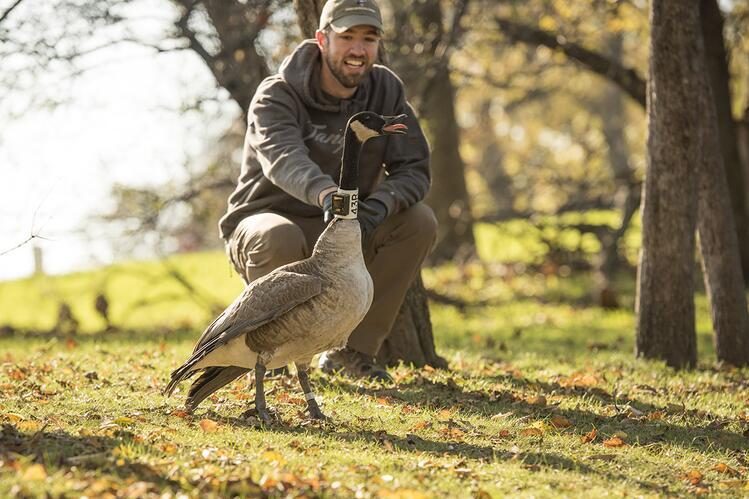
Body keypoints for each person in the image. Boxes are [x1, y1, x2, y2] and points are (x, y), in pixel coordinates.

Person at [218, 0, 436, 382]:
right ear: (321, 39)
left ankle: (353, 352)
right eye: (346, 37)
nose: (358, 49)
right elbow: (284, 158)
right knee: (277, 236)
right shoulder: (278, 94)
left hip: (345, 230)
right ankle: (269, 360)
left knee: (419, 221)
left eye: (368, 39)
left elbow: (413, 170)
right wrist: (328, 196)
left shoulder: (386, 90)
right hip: (272, 223)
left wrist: (377, 208)